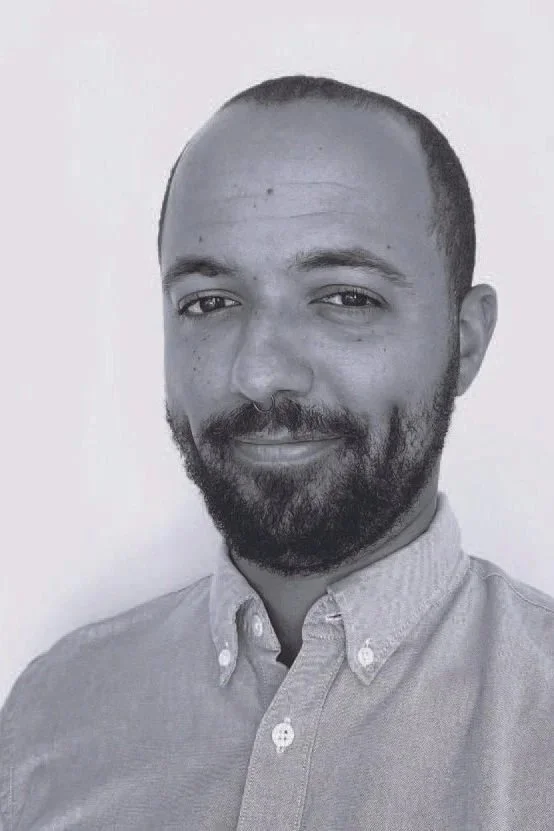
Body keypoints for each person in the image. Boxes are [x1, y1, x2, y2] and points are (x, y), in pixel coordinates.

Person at [1, 74, 553, 830]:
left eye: (346, 297)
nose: (260, 372)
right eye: (210, 302)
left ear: (465, 341)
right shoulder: (48, 719)